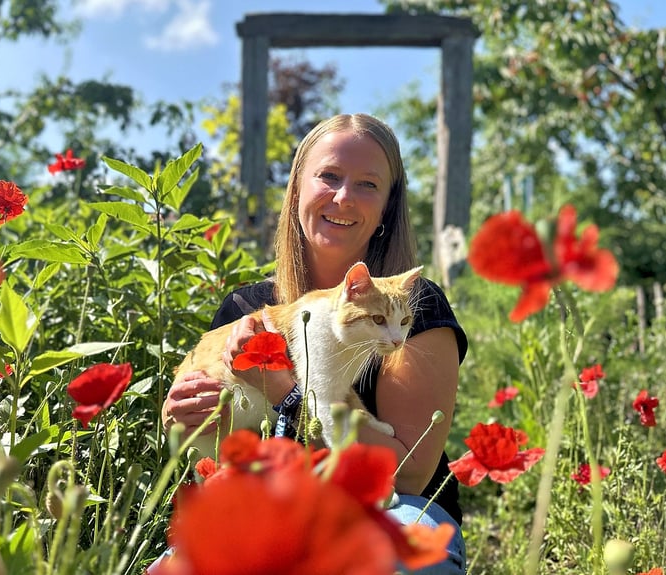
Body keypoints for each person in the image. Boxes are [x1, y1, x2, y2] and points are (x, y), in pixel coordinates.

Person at [161, 113, 468, 574]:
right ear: (297, 189)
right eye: (328, 176)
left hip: (388, 510)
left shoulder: (412, 308)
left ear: (386, 206)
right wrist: (182, 421)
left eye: (368, 184)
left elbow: (408, 472)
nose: (343, 196)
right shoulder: (247, 307)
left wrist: (285, 395)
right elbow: (221, 457)